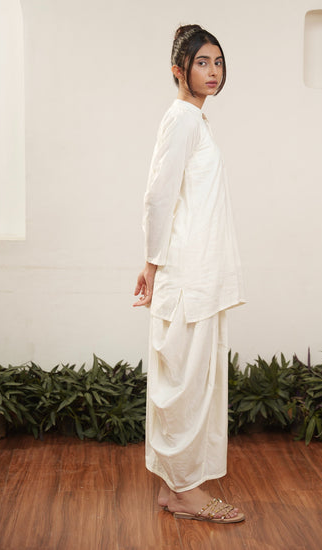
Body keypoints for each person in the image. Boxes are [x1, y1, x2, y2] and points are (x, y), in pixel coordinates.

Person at [133, 24, 246, 524]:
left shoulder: (196, 120)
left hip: (199, 273)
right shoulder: (181, 119)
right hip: (187, 276)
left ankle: (172, 488)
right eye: (202, 62)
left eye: (218, 62)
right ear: (179, 70)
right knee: (186, 386)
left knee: (188, 381)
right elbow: (158, 196)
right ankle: (188, 493)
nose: (213, 71)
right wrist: (151, 264)